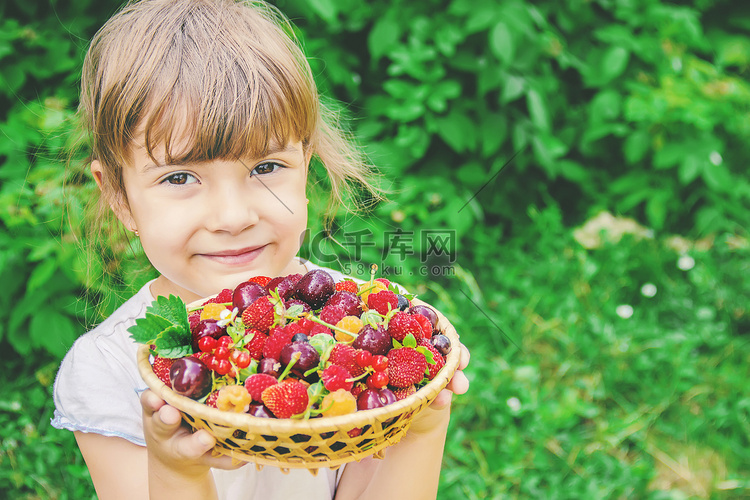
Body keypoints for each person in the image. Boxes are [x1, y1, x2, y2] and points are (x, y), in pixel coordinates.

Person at [51, 0, 470, 499]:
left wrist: (421, 422)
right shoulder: (111, 369)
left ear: (305, 163)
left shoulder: (357, 329)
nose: (233, 217)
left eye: (266, 167)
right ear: (119, 196)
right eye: (180, 177)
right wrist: (178, 469)